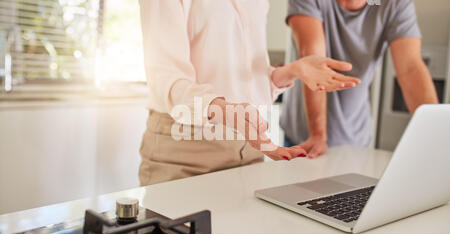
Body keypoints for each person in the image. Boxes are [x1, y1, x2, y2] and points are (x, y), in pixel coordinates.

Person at [138, 0, 360, 186]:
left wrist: (291, 71)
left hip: (249, 150)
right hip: (186, 151)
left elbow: (247, 81)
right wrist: (224, 111)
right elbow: (166, 79)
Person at [281, 0, 439, 159]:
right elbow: (313, 60)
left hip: (356, 140)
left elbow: (410, 69)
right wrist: (317, 135)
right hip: (304, 139)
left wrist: (437, 135)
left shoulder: (395, 3)